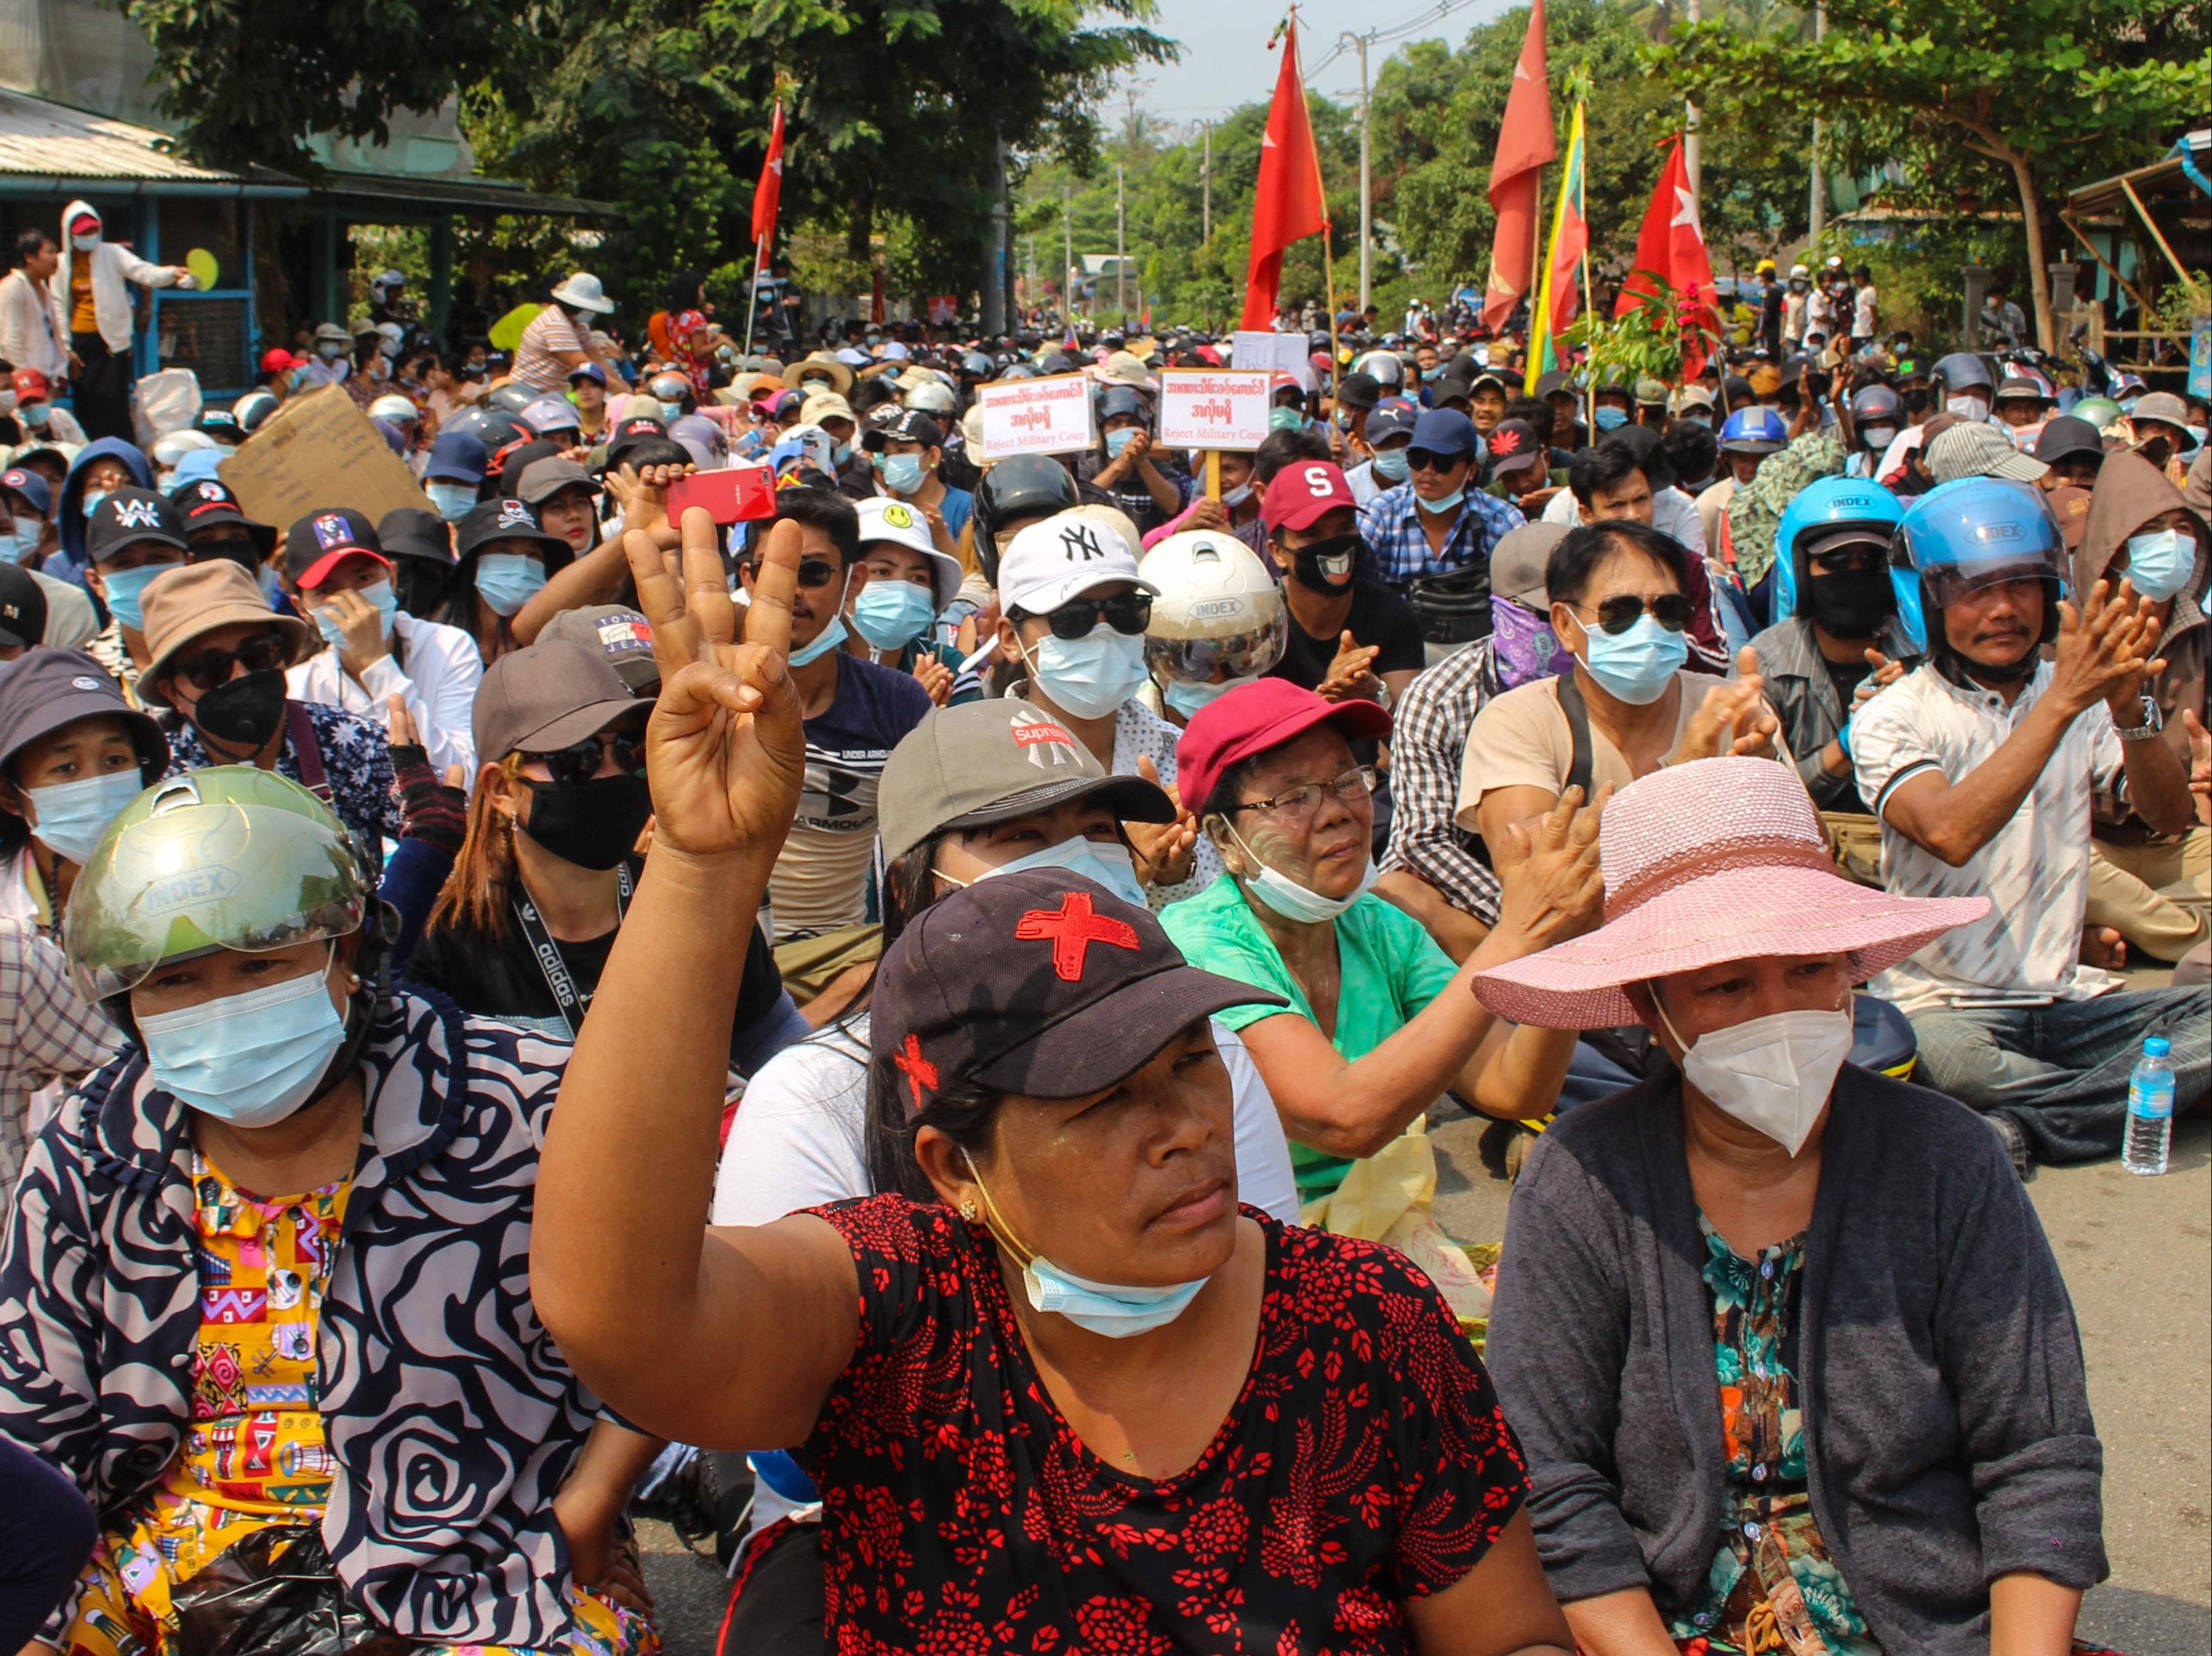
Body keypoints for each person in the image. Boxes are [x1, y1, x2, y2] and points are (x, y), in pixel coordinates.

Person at [530, 520, 1577, 1653]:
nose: (1184, 1125)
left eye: (1185, 1060)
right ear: (953, 1167)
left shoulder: (1361, 1321)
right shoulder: (904, 1305)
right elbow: (623, 1317)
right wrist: (703, 870)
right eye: (1095, 1096)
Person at [2, 767, 660, 1656]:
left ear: (348, 952)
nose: (224, 1007)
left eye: (262, 965)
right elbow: (37, 1420)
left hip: (486, 1563)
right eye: (176, 982)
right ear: (128, 1006)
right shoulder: (93, 1149)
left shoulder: (523, 1105)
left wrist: (590, 1507)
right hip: (159, 1583)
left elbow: (664, 1305)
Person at [1476, 755, 2107, 1656]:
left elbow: (2036, 1454)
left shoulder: (1947, 1159)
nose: (1778, 1011)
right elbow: (1548, 1468)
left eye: (1809, 969)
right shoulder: (1584, 1176)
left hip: (1930, 1629)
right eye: (1725, 985)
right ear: (1654, 1013)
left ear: (1852, 972)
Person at [705, 697, 1306, 1645]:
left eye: (1098, 832)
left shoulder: (1211, 1055)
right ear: (913, 885)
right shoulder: (815, 1095)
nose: (1075, 865)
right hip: (888, 1517)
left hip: (1200, 1474)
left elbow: (1275, 1303)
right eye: (1023, 837)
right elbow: (785, 1434)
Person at [1851, 477, 2204, 1164]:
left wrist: (2131, 709)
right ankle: (2135, 1097)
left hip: (2067, 999)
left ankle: (2030, 1124)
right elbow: (1950, 832)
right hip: (1943, 1005)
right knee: (1953, 1068)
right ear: (1928, 600)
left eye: (2023, 585)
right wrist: (2067, 700)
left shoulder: (2076, 694)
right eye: (1974, 590)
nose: (2005, 608)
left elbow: (2168, 815)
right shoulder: (1891, 716)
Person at [1161, 677, 1603, 1218]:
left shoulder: (1380, 927)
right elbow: (1344, 1119)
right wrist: (1517, 934)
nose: (1336, 812)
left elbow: (1512, 1088)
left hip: (1375, 1220)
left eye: (1347, 780)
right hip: (1251, 1237)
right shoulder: (1199, 945)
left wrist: (1566, 945)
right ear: (1225, 839)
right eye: (1294, 797)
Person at [405, 636, 804, 1068]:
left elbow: (779, 1047)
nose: (612, 773)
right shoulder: (445, 937)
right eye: (579, 757)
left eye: (630, 750)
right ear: (501, 789)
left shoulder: (698, 905)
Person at [1462, 522, 1780, 869]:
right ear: (1565, 625)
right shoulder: (1517, 722)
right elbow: (1526, 869)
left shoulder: (1725, 709)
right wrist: (1684, 781)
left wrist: (1765, 781)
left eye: (1668, 610)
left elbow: (1810, 849)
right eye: (1619, 612)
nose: (1649, 627)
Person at [990, 508, 1215, 904]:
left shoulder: (1182, 756)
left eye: (1124, 613)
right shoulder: (979, 771)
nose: (1105, 633)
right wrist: (1126, 873)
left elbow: (1222, 917)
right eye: (1072, 618)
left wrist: (1173, 876)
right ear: (1011, 639)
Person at [745, 487, 934, 947]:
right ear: (746, 579)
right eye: (770, 571)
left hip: (842, 960)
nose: (789, 590)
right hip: (722, 953)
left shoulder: (898, 703)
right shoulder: (708, 696)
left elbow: (936, 849)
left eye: (810, 572)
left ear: (853, 582)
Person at [1377, 524, 1568, 957]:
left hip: (1573, 876)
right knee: (1400, 891)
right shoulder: (1439, 698)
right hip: (1471, 887)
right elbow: (1422, 840)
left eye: (1572, 613)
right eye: (1544, 615)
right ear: (1502, 611)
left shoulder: (1603, 680)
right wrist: (1526, 915)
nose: (1559, 630)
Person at [140, 559, 405, 865]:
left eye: (258, 653)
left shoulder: (352, 741)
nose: (240, 675)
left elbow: (435, 839)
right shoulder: (155, 782)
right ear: (171, 692)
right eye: (210, 668)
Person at [2073, 450, 2209, 964]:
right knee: (2043, 862)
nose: (2172, 543)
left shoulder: (2203, 640)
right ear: (2114, 543)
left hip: (2179, 843)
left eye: (2182, 527)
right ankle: (2190, 937)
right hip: (2088, 843)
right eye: (2153, 529)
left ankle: (2119, 929)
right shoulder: (2064, 635)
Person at [1749, 478, 1917, 881]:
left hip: (1913, 849)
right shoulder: (1766, 664)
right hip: (1808, 866)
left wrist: (1919, 708)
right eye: (1837, 563)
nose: (1854, 576)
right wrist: (1849, 744)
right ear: (1799, 570)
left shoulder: (1925, 656)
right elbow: (1765, 806)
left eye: (1872, 563)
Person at [282, 507, 483, 780]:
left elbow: (460, 777)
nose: (352, 600)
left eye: (364, 579)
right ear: (302, 608)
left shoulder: (448, 647)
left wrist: (377, 664)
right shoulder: (296, 690)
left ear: (392, 576)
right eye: (326, 591)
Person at [1258, 459, 1425, 707]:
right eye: (1311, 534)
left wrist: (1376, 694)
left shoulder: (1390, 612)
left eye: (1345, 527)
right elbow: (1253, 733)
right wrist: (1326, 697)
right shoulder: (1259, 622)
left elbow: (1408, 726)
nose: (1334, 544)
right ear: (1278, 553)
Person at [54, 202, 194, 443]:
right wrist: (66, 348)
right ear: (70, 234)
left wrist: (172, 273)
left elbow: (143, 272)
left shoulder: (113, 253)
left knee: (115, 403)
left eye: (92, 231)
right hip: (81, 344)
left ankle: (122, 449)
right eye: (83, 233)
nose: (89, 237)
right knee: (88, 402)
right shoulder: (61, 264)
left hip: (112, 342)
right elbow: (58, 305)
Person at [1356, 406, 1521, 591]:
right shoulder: (1378, 515)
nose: (1428, 470)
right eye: (1418, 458)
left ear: (1471, 470)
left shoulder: (1502, 521)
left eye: (1443, 461)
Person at [843, 495, 974, 704]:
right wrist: (908, 711)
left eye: (918, 578)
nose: (903, 589)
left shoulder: (947, 667)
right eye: (883, 572)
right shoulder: (813, 668)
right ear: (848, 579)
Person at [435, 496, 578, 664]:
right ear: (473, 564)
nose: (522, 565)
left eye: (533, 555)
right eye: (504, 551)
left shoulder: (558, 641)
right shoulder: (438, 643)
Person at [1076, 384, 1189, 537]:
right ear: (1101, 431)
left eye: (1132, 423)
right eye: (1114, 424)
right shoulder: (1089, 468)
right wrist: (1118, 467)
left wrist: (1142, 462)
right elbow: (1079, 507)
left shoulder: (1161, 469)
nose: (1124, 429)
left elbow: (1172, 507)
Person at [513, 271, 615, 393]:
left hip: (552, 395)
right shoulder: (556, 323)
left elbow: (599, 361)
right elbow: (585, 366)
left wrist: (625, 388)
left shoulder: (580, 327)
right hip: (529, 392)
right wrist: (620, 391)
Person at [0, 230, 67, 384]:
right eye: (50, 252)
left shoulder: (44, 289)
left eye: (56, 252)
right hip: (24, 384)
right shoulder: (12, 288)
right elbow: (10, 340)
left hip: (45, 380)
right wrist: (25, 380)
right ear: (29, 257)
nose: (55, 257)